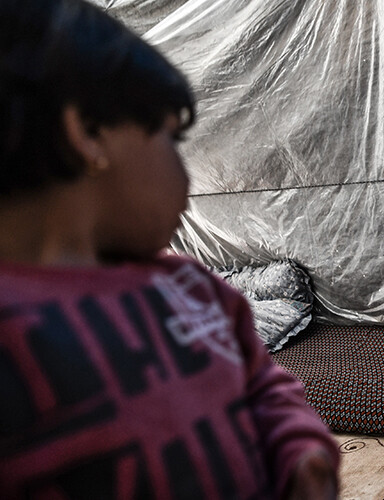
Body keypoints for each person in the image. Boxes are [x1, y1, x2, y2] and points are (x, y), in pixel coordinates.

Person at [0, 1, 339, 498]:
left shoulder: (193, 287)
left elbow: (265, 386)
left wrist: (300, 449)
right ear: (89, 134)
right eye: (171, 137)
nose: (185, 175)